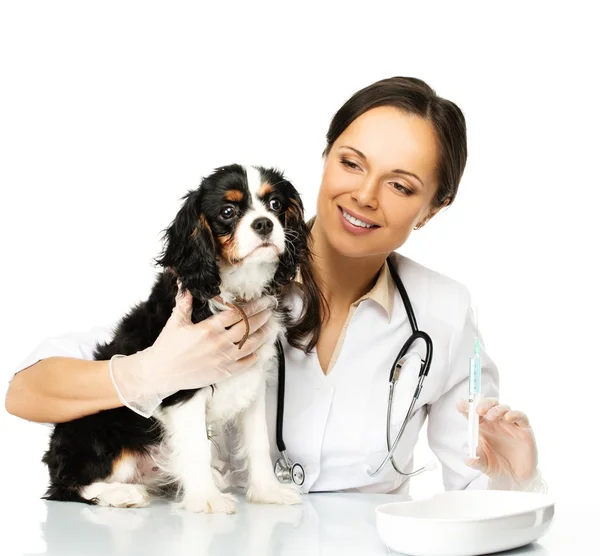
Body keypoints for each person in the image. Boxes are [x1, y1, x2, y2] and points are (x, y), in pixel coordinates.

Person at [5, 76, 546, 496]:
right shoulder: (226, 275)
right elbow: (25, 393)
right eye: (351, 163)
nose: (364, 195)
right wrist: (149, 372)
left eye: (401, 185)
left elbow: (477, 491)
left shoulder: (444, 312)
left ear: (434, 208)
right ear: (327, 156)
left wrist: (517, 478)